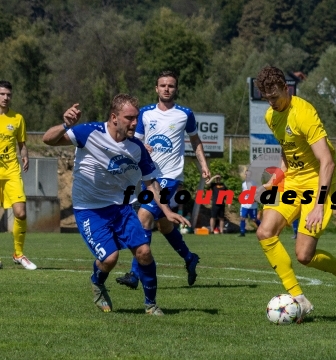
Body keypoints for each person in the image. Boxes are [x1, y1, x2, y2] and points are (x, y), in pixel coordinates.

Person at [42, 95, 189, 315]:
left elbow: (151, 184)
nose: (134, 123)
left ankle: (150, 304)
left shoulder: (137, 148)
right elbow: (48, 139)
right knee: (110, 258)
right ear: (114, 117)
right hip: (90, 210)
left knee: (144, 252)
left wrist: (167, 211)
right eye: (129, 118)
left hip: (121, 209)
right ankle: (97, 282)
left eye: (136, 118)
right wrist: (66, 125)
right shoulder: (89, 132)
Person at [254, 66, 336, 323]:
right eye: (267, 98)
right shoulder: (272, 116)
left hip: (317, 185)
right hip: (292, 183)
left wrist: (318, 207)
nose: (272, 102)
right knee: (264, 231)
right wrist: (273, 181)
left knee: (304, 256)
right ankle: (298, 299)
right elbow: (287, 155)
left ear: (286, 88)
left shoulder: (304, 113)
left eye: (276, 96)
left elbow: (327, 162)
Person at [115, 71, 210, 290]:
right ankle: (189, 258)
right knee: (164, 224)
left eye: (171, 86)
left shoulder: (185, 114)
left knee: (145, 216)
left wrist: (203, 165)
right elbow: (132, 140)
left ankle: (134, 274)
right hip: (147, 176)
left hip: (170, 176)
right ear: (156, 89)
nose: (167, 89)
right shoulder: (145, 113)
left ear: (176, 89)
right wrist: (141, 147)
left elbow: (195, 141)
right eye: (163, 85)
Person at [0, 80, 35, 270]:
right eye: (2, 94)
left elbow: (22, 144)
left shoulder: (17, 118)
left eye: (8, 94)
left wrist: (25, 157)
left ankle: (18, 254)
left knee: (20, 213)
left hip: (12, 172)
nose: (6, 98)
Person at [239, 170, 261, 237]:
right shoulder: (243, 184)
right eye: (246, 174)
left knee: (254, 219)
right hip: (244, 204)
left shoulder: (254, 183)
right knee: (242, 218)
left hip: (252, 205)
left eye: (248, 175)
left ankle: (263, 228)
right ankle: (242, 232)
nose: (247, 176)